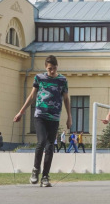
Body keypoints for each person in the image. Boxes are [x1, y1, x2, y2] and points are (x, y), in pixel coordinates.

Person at [14, 55, 71, 187]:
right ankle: (35, 170)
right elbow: (32, 96)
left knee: (50, 145)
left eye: (54, 68)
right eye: (50, 69)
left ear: (57, 67)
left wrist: (69, 117)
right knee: (41, 142)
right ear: (46, 67)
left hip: (54, 117)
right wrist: (20, 112)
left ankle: (45, 176)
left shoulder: (62, 80)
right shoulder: (39, 78)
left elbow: (66, 99)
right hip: (40, 115)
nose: (52, 71)